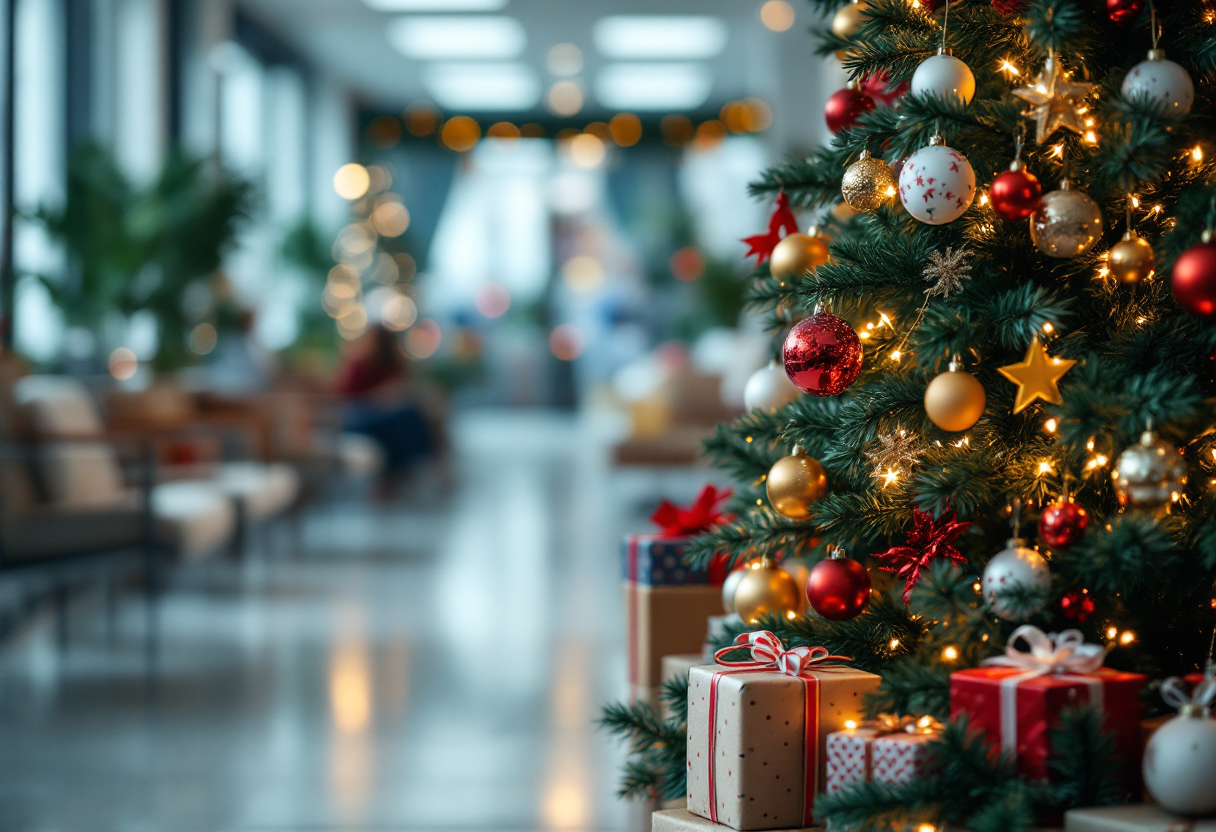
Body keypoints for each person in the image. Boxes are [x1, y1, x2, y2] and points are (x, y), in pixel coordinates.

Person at [334, 325, 434, 478]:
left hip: (387, 415)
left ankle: (394, 476)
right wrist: (377, 398)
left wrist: (394, 395)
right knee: (403, 420)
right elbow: (345, 399)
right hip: (358, 418)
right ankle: (409, 470)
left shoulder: (394, 364)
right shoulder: (359, 365)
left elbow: (404, 390)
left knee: (405, 418)